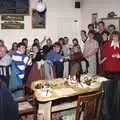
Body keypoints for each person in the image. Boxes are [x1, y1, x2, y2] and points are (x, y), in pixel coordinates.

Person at [101, 31, 120, 120]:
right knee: (107, 92)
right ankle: (107, 113)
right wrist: (101, 61)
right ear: (112, 37)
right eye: (114, 36)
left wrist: (119, 56)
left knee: (116, 93)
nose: (115, 38)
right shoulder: (108, 44)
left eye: (117, 36)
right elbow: (104, 55)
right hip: (108, 70)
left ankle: (114, 111)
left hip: (117, 71)